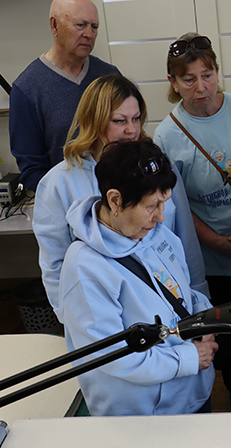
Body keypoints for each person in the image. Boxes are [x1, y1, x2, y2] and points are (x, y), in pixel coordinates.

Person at [59, 140, 217, 416]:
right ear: (115, 200)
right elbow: (114, 356)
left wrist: (205, 320)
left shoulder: (158, 234)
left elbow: (182, 294)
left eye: (164, 202)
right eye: (152, 206)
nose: (161, 217)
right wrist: (189, 357)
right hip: (146, 415)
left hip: (192, 390)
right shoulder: (84, 268)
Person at [33, 75, 208, 318]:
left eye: (136, 119)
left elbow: (185, 239)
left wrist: (199, 297)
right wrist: (71, 317)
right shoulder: (58, 183)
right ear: (93, 121)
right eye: (119, 121)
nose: (131, 130)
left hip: (171, 303)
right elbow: (55, 264)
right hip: (106, 313)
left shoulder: (157, 167)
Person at [154, 33, 231, 411]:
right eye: (189, 79)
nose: (201, 88)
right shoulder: (167, 134)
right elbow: (176, 205)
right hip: (210, 249)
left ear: (217, 71)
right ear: (173, 82)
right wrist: (216, 241)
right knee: (224, 327)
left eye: (207, 75)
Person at [10, 0, 120, 191]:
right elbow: (32, 169)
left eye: (94, 27)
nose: (89, 34)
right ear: (54, 25)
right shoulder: (27, 88)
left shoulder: (109, 76)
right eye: (81, 25)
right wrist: (67, 199)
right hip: (64, 199)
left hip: (116, 194)